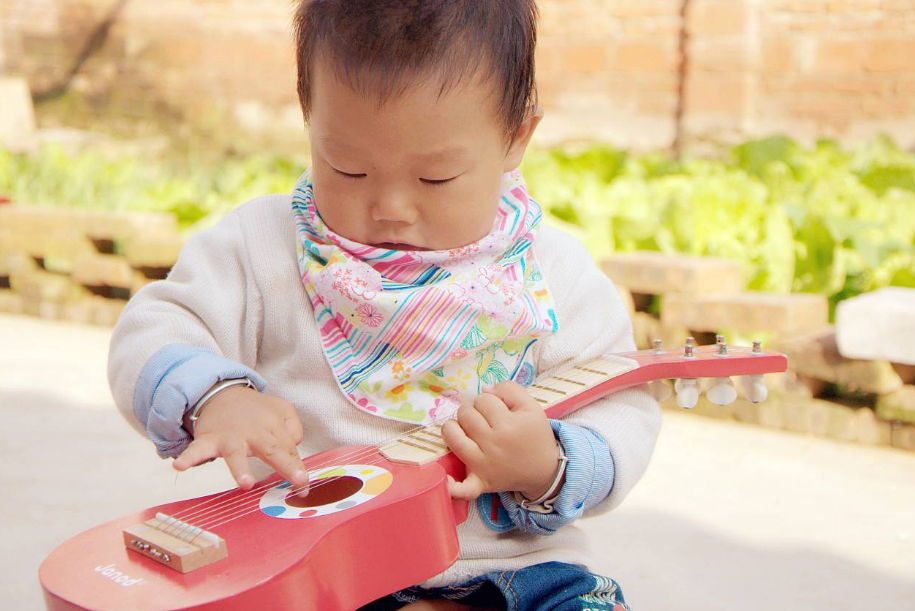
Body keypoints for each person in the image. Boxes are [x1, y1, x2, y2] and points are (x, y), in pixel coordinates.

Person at [107, 1, 661, 609]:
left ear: (514, 138)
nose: (391, 206)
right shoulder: (261, 246)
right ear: (309, 119)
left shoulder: (552, 274)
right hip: (318, 574)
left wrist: (550, 464)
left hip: (521, 572)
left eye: (436, 179)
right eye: (347, 168)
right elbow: (151, 328)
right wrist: (214, 397)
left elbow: (622, 402)